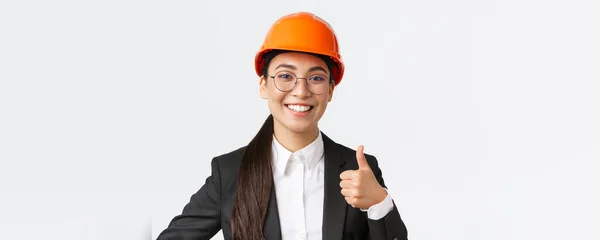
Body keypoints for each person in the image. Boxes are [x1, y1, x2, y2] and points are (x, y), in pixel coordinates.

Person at [156, 11, 409, 240]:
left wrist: (379, 203)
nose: (300, 91)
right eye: (285, 76)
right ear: (263, 86)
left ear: (330, 90)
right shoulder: (230, 173)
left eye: (316, 78)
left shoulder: (359, 170)